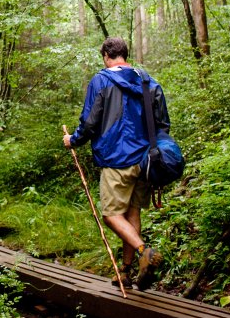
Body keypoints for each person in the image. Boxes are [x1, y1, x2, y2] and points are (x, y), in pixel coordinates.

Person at [63, 37, 170, 290]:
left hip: (115, 160)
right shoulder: (146, 80)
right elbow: (163, 122)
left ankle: (145, 251)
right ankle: (125, 272)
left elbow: (90, 123)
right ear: (125, 54)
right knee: (132, 213)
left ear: (106, 56)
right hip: (144, 161)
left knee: (111, 215)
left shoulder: (101, 80)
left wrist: (73, 140)